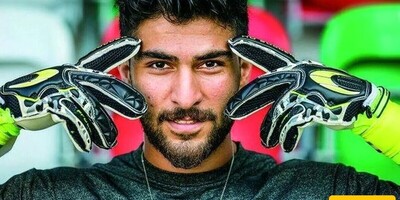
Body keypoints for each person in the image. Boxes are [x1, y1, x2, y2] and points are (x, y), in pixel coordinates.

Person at [0, 0, 399, 199]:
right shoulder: (52, 194)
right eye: (159, 65)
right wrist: (4, 115)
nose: (186, 96)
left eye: (210, 64)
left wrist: (374, 110)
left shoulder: (317, 191)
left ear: (244, 72)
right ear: (125, 74)